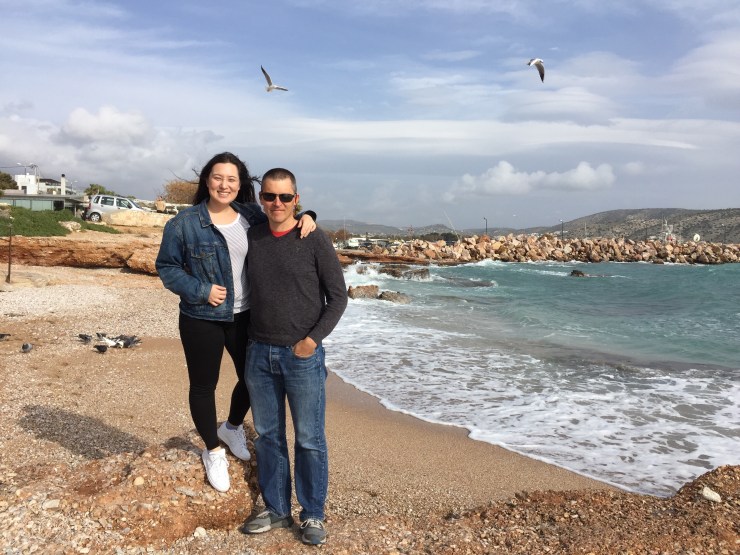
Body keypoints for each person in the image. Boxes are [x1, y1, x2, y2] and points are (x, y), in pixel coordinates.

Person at [155, 153, 317, 493]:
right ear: (207, 180)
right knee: (204, 385)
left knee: (253, 380)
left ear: (240, 183)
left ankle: (231, 427)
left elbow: (281, 217)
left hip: (246, 315)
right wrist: (200, 290)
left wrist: (308, 217)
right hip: (201, 317)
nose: (224, 185)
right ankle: (213, 451)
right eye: (218, 177)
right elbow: (167, 267)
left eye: (231, 179)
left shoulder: (250, 215)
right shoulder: (184, 224)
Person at [241, 168, 347, 545]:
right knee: (269, 437)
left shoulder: (313, 238)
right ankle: (276, 509)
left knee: (309, 438)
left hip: (302, 356)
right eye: (270, 196)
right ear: (261, 199)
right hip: (259, 353)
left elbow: (338, 297)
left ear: (296, 200)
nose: (277, 203)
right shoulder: (252, 235)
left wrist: (312, 341)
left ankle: (313, 513)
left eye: (285, 197)